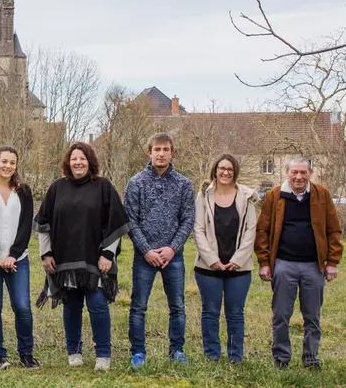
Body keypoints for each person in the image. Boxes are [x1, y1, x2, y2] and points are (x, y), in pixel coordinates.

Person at [34, 142, 129, 372]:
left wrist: (108, 254)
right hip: (64, 260)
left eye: (83, 158)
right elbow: (43, 223)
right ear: (68, 162)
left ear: (90, 161)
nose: (78, 162)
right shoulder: (57, 187)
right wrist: (46, 254)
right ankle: (74, 351)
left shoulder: (103, 186)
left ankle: (103, 354)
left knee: (97, 305)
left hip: (95, 259)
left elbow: (115, 222)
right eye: (74, 158)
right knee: (72, 307)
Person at [255, 156, 342, 370]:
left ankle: (311, 358)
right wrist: (265, 262)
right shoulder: (275, 196)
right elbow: (262, 231)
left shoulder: (322, 195)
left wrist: (332, 262)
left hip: (314, 265)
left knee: (313, 315)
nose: (299, 176)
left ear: (310, 173)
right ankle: (281, 358)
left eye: (303, 172)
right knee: (281, 314)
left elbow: (334, 230)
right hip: (284, 264)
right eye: (294, 172)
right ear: (287, 173)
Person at [124, 132, 194, 369]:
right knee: (138, 306)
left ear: (172, 153)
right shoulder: (136, 183)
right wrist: (147, 251)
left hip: (173, 256)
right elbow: (130, 221)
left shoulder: (183, 184)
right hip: (145, 256)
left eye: (166, 149)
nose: (161, 154)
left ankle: (176, 350)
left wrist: (172, 249)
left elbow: (187, 220)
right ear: (149, 152)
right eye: (157, 149)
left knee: (177, 306)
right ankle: (138, 353)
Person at [0, 146, 40, 370]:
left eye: (12, 162)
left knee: (22, 306)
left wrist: (12, 256)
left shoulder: (24, 191)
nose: (8, 166)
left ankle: (27, 353)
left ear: (16, 165)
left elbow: (25, 226)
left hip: (17, 260)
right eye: (4, 161)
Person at [192, 154, 258, 363]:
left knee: (235, 313)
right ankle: (212, 354)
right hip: (208, 267)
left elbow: (251, 231)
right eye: (221, 168)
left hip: (239, 268)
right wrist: (211, 259)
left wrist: (238, 259)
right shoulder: (203, 196)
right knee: (210, 312)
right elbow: (198, 230)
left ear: (235, 171)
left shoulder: (247, 197)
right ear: (215, 170)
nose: (225, 172)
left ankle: (235, 356)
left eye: (229, 169)